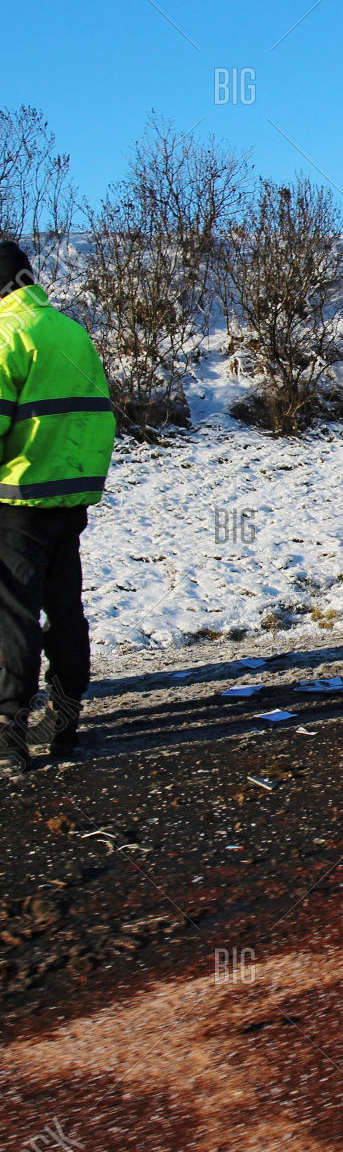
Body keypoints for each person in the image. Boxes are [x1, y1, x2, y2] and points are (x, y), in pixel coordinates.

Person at [0, 241, 115, 774]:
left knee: (13, 614)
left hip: (16, 500)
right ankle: (65, 722)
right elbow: (96, 414)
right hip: (68, 498)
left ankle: (10, 732)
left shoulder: (7, 334)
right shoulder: (71, 331)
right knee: (65, 609)